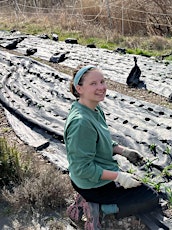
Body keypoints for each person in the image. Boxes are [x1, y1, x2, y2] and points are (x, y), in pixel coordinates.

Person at [64, 65, 160, 228]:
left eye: (102, 81)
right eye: (93, 84)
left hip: (93, 178)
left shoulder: (93, 109)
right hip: (91, 184)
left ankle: (90, 200)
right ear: (79, 88)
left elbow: (101, 141)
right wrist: (118, 177)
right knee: (150, 198)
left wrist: (124, 151)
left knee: (141, 189)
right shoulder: (81, 123)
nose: (101, 87)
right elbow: (82, 168)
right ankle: (98, 208)